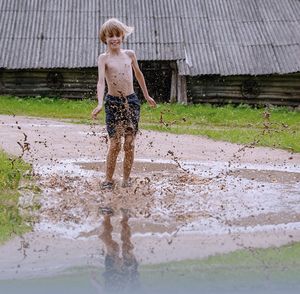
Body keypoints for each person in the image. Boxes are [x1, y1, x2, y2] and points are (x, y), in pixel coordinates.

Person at [91, 18, 156, 189]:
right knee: (115, 145)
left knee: (129, 144)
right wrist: (99, 103)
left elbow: (139, 75)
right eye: (110, 36)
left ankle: (126, 179)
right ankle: (108, 180)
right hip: (113, 103)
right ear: (104, 38)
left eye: (117, 35)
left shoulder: (130, 55)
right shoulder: (103, 58)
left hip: (131, 102)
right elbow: (100, 82)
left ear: (122, 36)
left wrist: (147, 96)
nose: (114, 39)